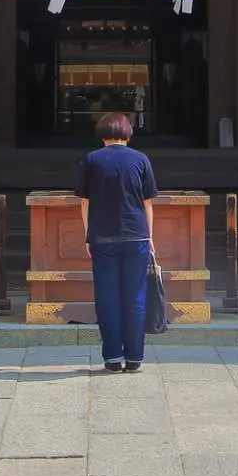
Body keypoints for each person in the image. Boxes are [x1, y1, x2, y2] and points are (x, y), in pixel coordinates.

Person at [76, 111, 157, 372]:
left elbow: (85, 202)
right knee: (136, 297)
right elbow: (147, 204)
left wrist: (88, 235)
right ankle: (135, 357)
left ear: (102, 133)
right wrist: (150, 236)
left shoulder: (91, 160)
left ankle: (112, 357)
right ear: (127, 132)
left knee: (107, 298)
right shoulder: (141, 159)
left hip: (103, 236)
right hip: (137, 235)